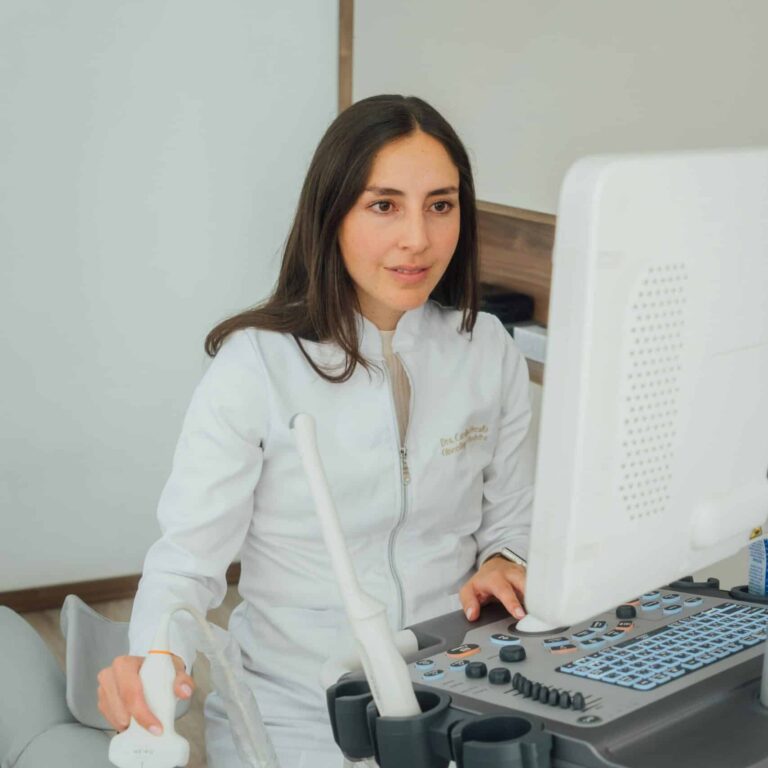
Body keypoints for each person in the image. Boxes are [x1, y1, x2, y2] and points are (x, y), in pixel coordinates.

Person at [97, 94, 533, 767]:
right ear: (332, 214)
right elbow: (186, 563)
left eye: (440, 205)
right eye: (384, 205)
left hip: (457, 694)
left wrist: (507, 558)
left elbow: (514, 519)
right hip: (296, 709)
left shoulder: (488, 351)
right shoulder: (257, 366)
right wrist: (153, 660)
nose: (417, 237)